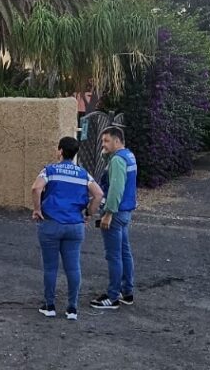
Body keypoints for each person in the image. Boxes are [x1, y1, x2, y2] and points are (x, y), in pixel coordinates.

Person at [32, 136, 103, 321]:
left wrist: (38, 209)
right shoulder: (83, 173)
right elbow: (98, 194)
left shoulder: (50, 170)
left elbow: (36, 188)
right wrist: (89, 213)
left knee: (50, 267)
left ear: (60, 151)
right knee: (73, 267)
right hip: (75, 225)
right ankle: (72, 308)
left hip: (51, 223)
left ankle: (50, 306)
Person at [90, 125, 137, 310]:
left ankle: (112, 296)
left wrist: (108, 213)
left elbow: (116, 188)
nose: (104, 144)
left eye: (107, 141)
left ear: (117, 141)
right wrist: (105, 153)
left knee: (114, 255)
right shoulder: (128, 156)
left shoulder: (117, 160)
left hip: (115, 213)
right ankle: (127, 292)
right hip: (126, 212)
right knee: (125, 253)